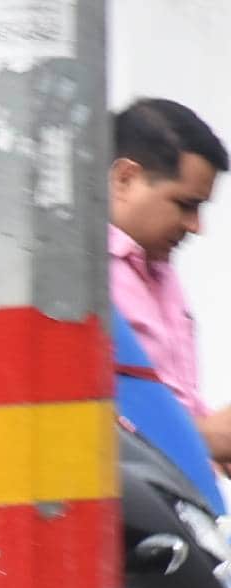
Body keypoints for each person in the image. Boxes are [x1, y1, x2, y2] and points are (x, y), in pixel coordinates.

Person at [109, 99, 231, 464]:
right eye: (184, 205)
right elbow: (83, 422)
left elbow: (173, 399)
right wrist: (203, 437)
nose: (196, 226)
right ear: (125, 178)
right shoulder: (77, 279)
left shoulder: (159, 271)